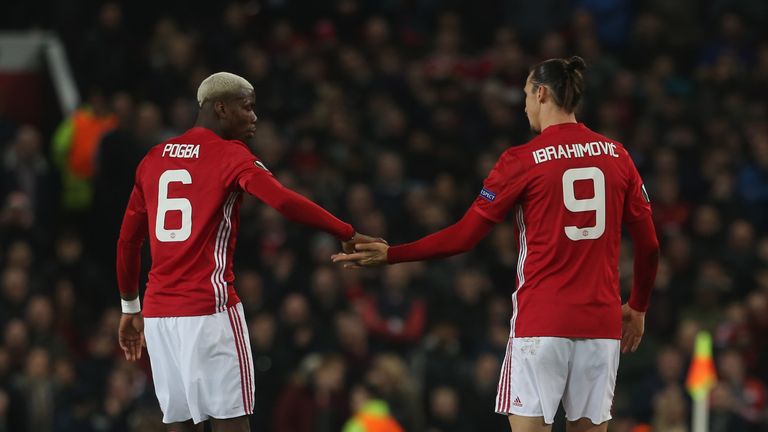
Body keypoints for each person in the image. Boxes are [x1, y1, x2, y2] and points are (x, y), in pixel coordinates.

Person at [333, 56, 660, 432]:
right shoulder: (617, 156)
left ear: (540, 93)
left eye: (524, 95)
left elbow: (464, 236)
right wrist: (637, 306)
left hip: (541, 324)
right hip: (601, 328)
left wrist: (393, 254)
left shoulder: (521, 160)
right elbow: (649, 245)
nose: (523, 106)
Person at [116, 72, 382, 432]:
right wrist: (345, 231)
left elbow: (129, 241)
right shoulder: (231, 155)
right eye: (248, 107)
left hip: (159, 316)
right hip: (209, 308)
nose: (254, 117)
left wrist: (131, 308)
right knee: (232, 424)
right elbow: (284, 201)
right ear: (221, 108)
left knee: (181, 426)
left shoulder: (154, 157)